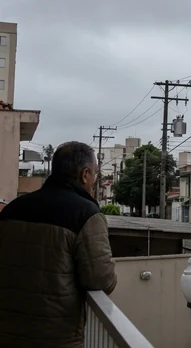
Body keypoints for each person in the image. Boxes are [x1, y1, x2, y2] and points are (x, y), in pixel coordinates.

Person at [0, 141, 117, 348]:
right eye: (95, 174)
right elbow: (101, 280)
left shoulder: (12, 209)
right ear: (85, 174)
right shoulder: (86, 214)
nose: (94, 180)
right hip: (55, 337)